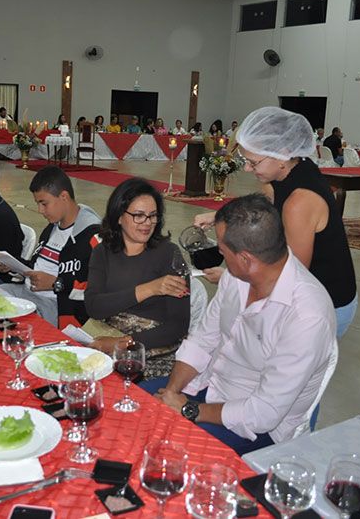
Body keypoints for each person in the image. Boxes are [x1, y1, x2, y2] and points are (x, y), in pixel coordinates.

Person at [142, 194, 337, 455]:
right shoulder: (237, 278)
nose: (219, 255)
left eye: (222, 251)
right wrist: (170, 394)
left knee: (165, 450)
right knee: (134, 405)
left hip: (254, 425)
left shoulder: (307, 316)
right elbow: (202, 340)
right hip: (209, 385)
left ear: (245, 259)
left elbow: (263, 413)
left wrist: (188, 409)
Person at [228, 107, 356, 337]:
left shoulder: (300, 201)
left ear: (282, 154)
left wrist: (234, 281)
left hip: (326, 303)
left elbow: (294, 273)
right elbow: (266, 209)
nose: (247, 168)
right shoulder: (289, 170)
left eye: (253, 162)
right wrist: (221, 218)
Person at [85, 178, 190, 378]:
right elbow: (94, 307)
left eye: (153, 215)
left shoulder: (169, 254)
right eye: (139, 215)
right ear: (119, 216)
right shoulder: (102, 252)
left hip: (151, 352)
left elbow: (178, 326)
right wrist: (150, 289)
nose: (147, 223)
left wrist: (123, 343)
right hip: (106, 338)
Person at [0, 166, 101, 327]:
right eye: (38, 203)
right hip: (26, 292)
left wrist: (56, 284)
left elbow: (99, 290)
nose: (40, 210)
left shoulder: (93, 235)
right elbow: (39, 267)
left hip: (56, 305)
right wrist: (13, 265)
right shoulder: (52, 227)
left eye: (44, 203)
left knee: (11, 325)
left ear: (64, 196)